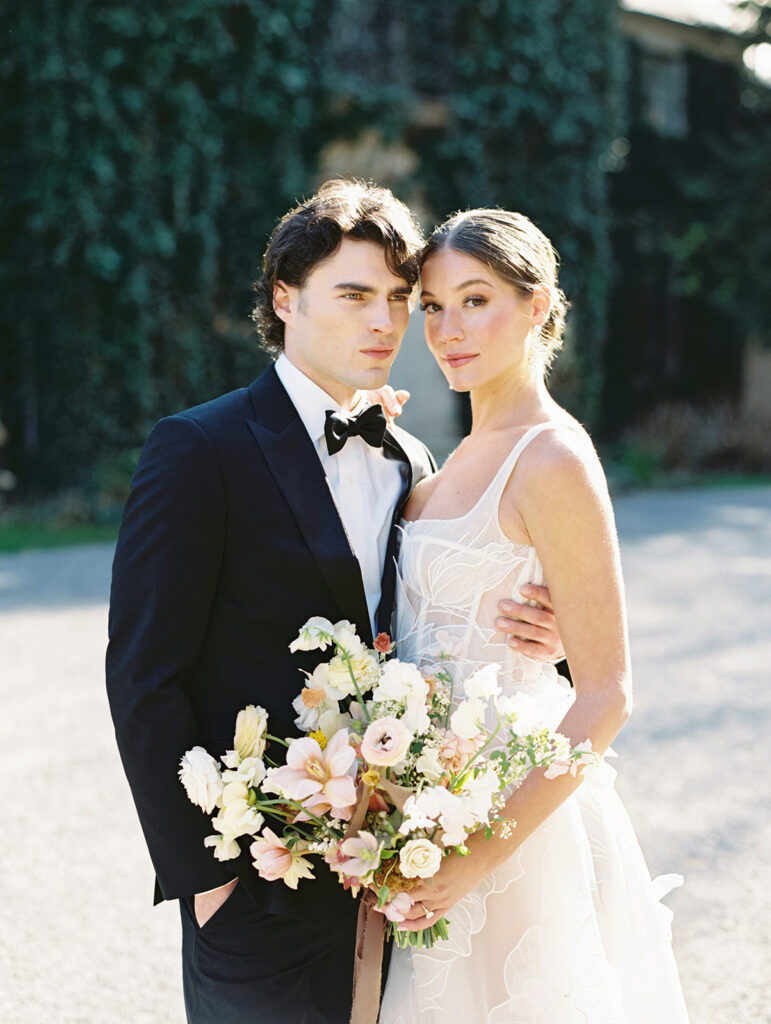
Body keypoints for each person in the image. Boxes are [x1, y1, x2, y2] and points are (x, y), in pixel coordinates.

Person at [105, 180, 564, 1024]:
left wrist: (548, 635)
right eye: (353, 296)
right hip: (257, 880)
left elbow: (445, 622)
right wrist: (207, 882)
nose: (384, 322)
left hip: (397, 869)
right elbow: (142, 678)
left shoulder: (411, 459)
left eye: (397, 298)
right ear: (285, 299)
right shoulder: (199, 448)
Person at [378, 209, 690, 1024]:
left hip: (511, 826)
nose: (447, 330)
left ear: (538, 305)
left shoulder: (550, 455)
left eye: (474, 300)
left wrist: (475, 856)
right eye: (433, 306)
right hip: (426, 805)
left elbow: (607, 695)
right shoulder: (439, 464)